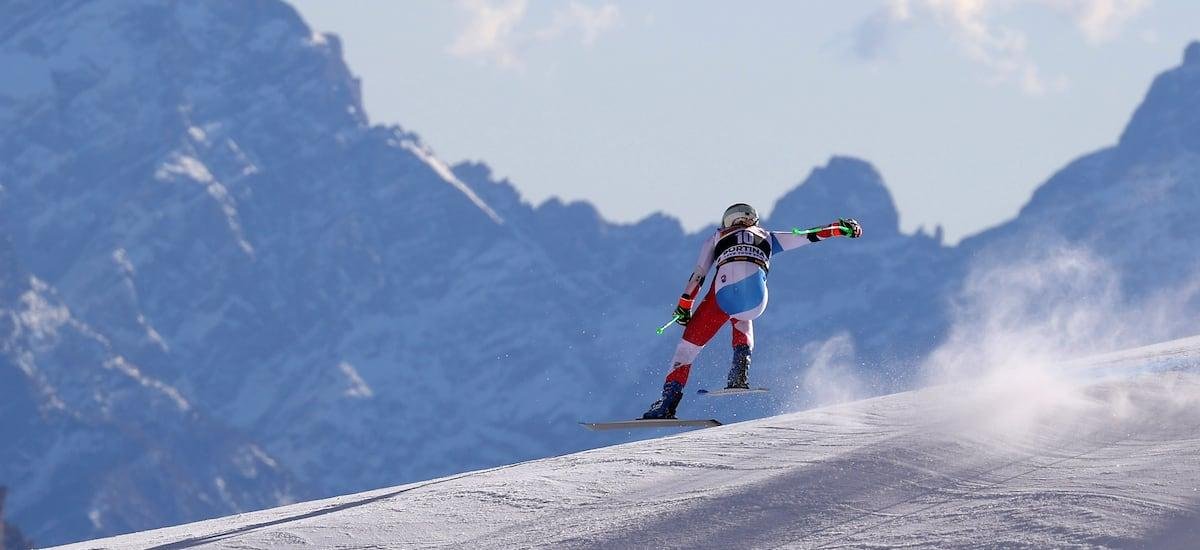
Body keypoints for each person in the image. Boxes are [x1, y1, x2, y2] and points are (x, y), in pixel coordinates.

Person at [642, 203, 862, 419]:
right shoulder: (768, 236)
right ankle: (740, 372)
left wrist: (684, 306)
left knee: (686, 349)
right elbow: (809, 235)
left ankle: (668, 403)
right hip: (757, 300)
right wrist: (840, 227)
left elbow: (698, 276)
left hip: (724, 294)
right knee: (742, 314)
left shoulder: (717, 237)